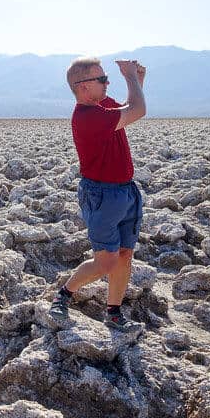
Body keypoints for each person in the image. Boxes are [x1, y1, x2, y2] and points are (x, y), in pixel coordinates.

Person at [49, 57, 146, 332]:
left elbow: (130, 106)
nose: (107, 83)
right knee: (106, 260)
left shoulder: (102, 106)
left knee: (125, 254)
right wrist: (129, 77)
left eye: (106, 78)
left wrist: (137, 79)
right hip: (102, 194)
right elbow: (138, 110)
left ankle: (114, 312)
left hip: (126, 191)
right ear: (82, 87)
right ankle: (64, 294)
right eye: (101, 79)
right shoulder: (87, 117)